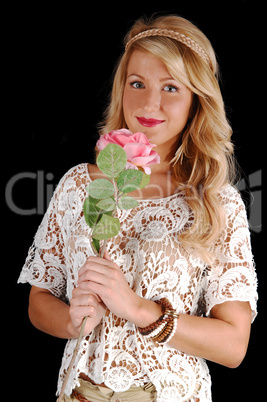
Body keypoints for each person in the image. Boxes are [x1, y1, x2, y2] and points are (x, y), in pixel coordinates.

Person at [18, 14, 258, 402]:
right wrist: (70, 320)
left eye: (171, 88)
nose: (149, 103)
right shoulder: (80, 184)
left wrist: (138, 309)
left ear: (197, 99)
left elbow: (233, 345)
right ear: (121, 86)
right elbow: (39, 299)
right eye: (137, 83)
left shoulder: (216, 201)